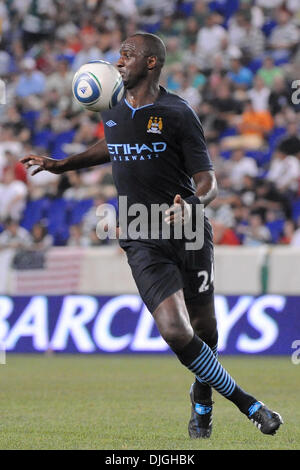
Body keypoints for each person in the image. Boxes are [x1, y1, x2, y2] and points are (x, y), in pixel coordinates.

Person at [21, 33, 283, 438]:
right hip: (141, 234)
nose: (119, 61)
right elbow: (111, 142)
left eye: (128, 55)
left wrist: (192, 205)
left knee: (206, 330)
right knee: (177, 331)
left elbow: (208, 181)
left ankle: (201, 400)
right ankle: (250, 405)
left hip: (190, 230)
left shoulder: (178, 113)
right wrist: (62, 164)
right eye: (118, 54)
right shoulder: (111, 109)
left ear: (152, 63)